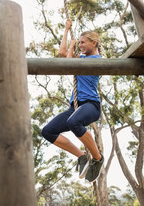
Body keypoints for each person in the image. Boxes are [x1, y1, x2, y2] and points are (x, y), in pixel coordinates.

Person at [41, 18, 104, 182]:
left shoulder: (97, 60)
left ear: (94, 43)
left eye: (84, 43)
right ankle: (82, 157)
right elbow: (62, 54)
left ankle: (97, 159)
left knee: (73, 122)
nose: (81, 46)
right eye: (80, 43)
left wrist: (71, 47)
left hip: (91, 105)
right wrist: (66, 30)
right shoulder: (82, 58)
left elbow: (68, 64)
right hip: (74, 108)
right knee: (47, 131)